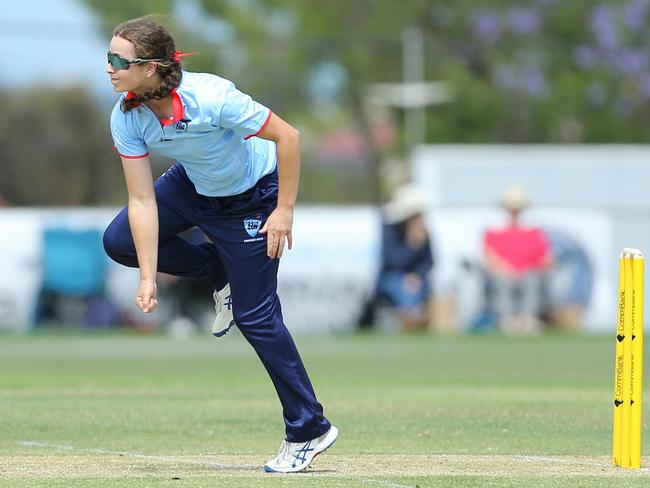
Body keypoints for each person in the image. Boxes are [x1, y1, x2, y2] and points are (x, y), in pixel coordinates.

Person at [101, 17, 337, 473]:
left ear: (151, 68)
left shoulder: (210, 96)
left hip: (255, 194)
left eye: (118, 61)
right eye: (108, 59)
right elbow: (140, 199)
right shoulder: (126, 115)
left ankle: (309, 428)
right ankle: (218, 271)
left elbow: (288, 137)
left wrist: (284, 210)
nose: (109, 69)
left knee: (256, 317)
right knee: (118, 241)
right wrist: (149, 277)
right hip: (193, 187)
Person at [482, 185, 553, 333]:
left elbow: (545, 259)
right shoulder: (494, 232)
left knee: (531, 278)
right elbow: (490, 257)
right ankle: (506, 320)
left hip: (527, 273)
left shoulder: (534, 232)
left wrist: (528, 269)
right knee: (501, 279)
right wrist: (506, 269)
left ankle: (527, 319)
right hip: (503, 272)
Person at [373, 184, 434, 331]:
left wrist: (417, 275)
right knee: (402, 286)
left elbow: (429, 261)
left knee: (414, 287)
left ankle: (413, 318)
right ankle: (410, 318)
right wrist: (412, 245)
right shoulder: (390, 229)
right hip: (391, 277)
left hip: (416, 280)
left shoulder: (424, 232)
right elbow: (392, 260)